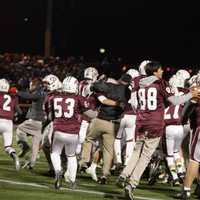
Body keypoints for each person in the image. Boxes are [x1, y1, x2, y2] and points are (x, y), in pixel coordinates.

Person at [115, 61, 200, 200]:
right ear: (154, 71)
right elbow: (174, 101)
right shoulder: (161, 83)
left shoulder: (140, 83)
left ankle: (124, 174)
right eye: (160, 70)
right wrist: (191, 94)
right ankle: (131, 184)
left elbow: (136, 103)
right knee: (146, 156)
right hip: (155, 122)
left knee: (137, 151)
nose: (162, 72)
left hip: (141, 121)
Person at [79, 73, 131, 184]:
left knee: (89, 139)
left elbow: (97, 89)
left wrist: (100, 84)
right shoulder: (128, 92)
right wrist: (118, 103)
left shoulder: (109, 86)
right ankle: (104, 175)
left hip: (100, 119)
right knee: (108, 151)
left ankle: (84, 162)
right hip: (114, 124)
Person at [49, 76, 90, 189]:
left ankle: (58, 171)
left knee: (55, 153)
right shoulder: (79, 98)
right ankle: (72, 181)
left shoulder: (54, 97)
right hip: (73, 132)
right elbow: (90, 113)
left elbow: (50, 115)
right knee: (71, 156)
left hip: (58, 130)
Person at [16, 77, 46, 169]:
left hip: (34, 120)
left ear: (35, 85)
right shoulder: (43, 92)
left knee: (19, 129)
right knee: (36, 144)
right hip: (41, 122)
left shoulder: (39, 92)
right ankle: (31, 164)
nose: (30, 87)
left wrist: (17, 92)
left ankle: (24, 146)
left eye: (31, 85)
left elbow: (29, 96)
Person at [0, 79, 20, 171]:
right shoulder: (13, 97)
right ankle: (14, 155)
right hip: (8, 123)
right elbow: (19, 111)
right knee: (8, 146)